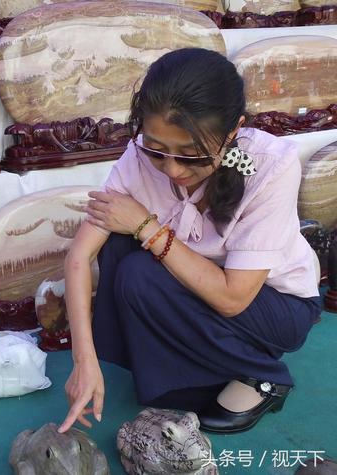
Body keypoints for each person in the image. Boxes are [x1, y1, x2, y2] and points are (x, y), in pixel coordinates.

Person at [57, 48, 322, 435]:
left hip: (271, 306)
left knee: (138, 268)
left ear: (233, 132)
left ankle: (264, 375)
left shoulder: (272, 164)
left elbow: (233, 298)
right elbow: (80, 256)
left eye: (191, 155)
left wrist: (146, 226)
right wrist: (84, 360)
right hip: (194, 292)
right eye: (157, 149)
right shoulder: (138, 157)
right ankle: (193, 372)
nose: (172, 169)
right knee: (117, 247)